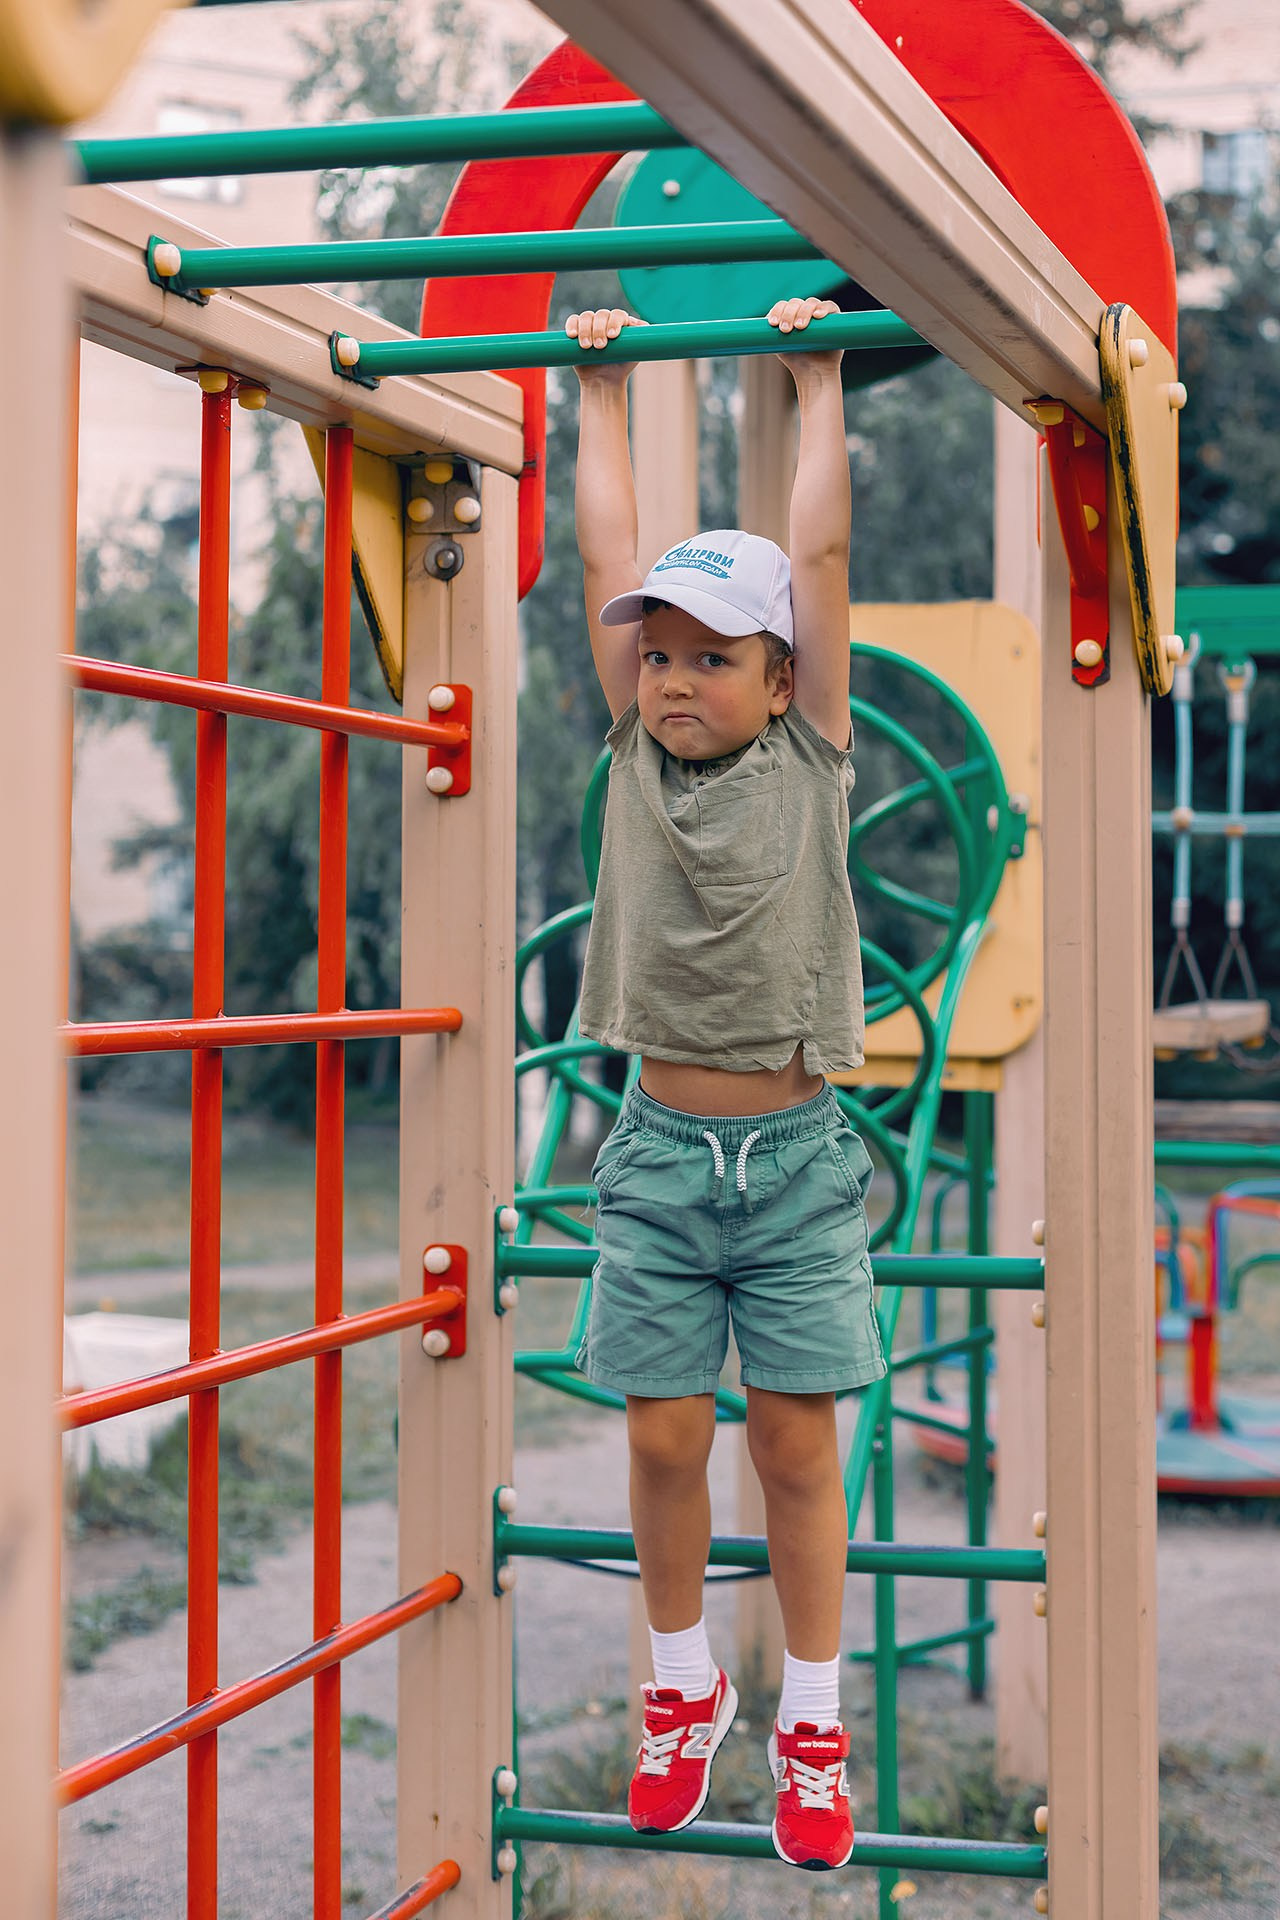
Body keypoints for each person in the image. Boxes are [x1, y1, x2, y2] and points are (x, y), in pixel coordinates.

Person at [566, 294, 884, 1873]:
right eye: (662, 654)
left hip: (803, 1161)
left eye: (714, 658)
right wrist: (606, 388)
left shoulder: (814, 759)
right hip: (660, 1158)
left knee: (799, 1447)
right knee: (668, 1440)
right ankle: (680, 1692)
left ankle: (813, 1723)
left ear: (781, 678)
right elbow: (600, 562)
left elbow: (818, 564)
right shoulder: (632, 758)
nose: (678, 679)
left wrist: (815, 379)